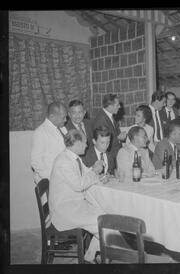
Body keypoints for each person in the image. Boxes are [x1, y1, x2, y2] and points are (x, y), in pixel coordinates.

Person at [49, 129, 105, 263]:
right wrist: (95, 172)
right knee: (103, 222)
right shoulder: (63, 161)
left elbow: (86, 174)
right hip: (65, 210)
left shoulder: (73, 158)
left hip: (75, 204)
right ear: (78, 143)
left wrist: (95, 171)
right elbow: (79, 185)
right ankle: (97, 256)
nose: (86, 146)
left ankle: (90, 256)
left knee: (103, 215)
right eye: (85, 142)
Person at [31, 101, 68, 183]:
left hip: (63, 176)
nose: (65, 120)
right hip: (49, 180)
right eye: (63, 117)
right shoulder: (40, 133)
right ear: (52, 117)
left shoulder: (62, 128)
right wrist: (51, 177)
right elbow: (35, 161)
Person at [91, 94, 127, 163]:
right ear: (110, 106)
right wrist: (118, 138)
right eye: (117, 105)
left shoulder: (109, 115)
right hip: (109, 156)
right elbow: (101, 141)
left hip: (114, 154)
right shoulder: (101, 119)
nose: (119, 107)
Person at [65, 99, 93, 166]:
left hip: (92, 161)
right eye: (74, 113)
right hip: (76, 164)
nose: (77, 116)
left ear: (84, 112)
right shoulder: (65, 128)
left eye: (80, 112)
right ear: (69, 114)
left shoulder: (90, 124)